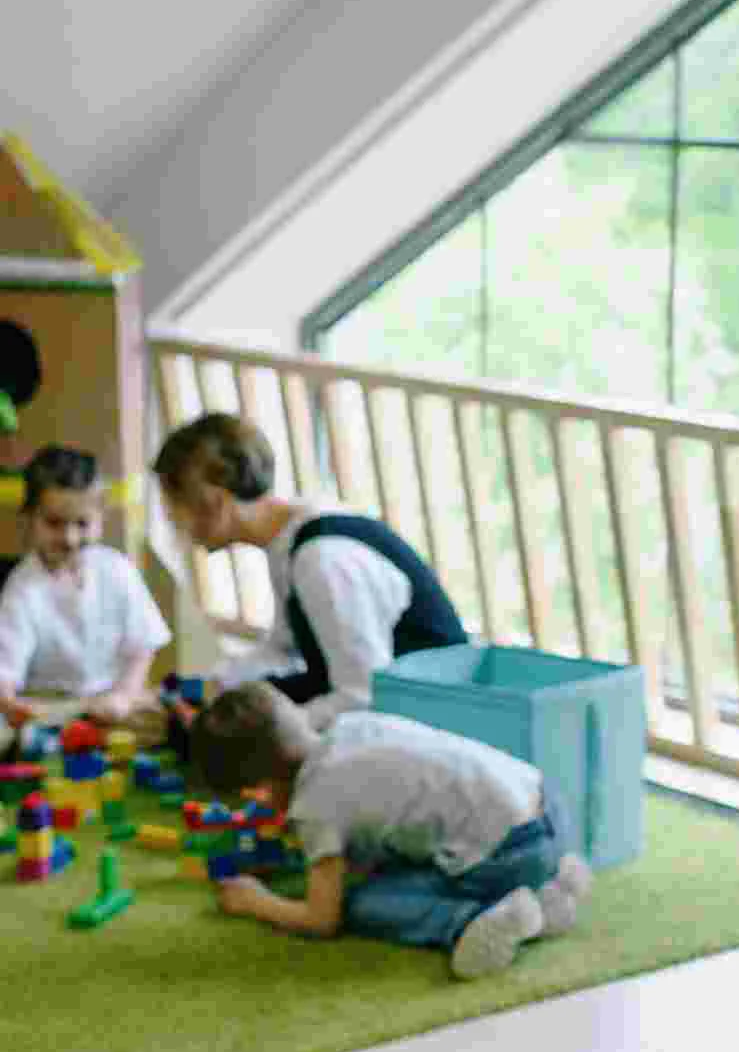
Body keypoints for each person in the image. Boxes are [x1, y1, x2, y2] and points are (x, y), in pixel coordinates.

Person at [187, 681, 594, 980]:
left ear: (258, 788)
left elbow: (320, 920)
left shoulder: (315, 805)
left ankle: (472, 920)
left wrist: (257, 902)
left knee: (362, 902)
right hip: (547, 809)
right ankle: (547, 894)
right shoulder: (353, 725)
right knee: (406, 854)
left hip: (506, 852)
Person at [152, 413, 468, 731]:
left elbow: (364, 696)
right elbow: (283, 648)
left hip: (430, 720)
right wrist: (209, 688)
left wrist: (266, 729)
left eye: (174, 509)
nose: (174, 525)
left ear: (215, 501)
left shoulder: (322, 559)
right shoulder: (290, 535)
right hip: (383, 701)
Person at [0, 446, 171, 749]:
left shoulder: (118, 569)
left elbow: (143, 647)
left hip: (112, 702)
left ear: (100, 517)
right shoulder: (22, 589)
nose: (69, 538)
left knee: (160, 717)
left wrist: (124, 694)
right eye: (54, 524)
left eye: (82, 524)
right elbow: (6, 670)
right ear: (30, 517)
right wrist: (11, 704)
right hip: (51, 709)